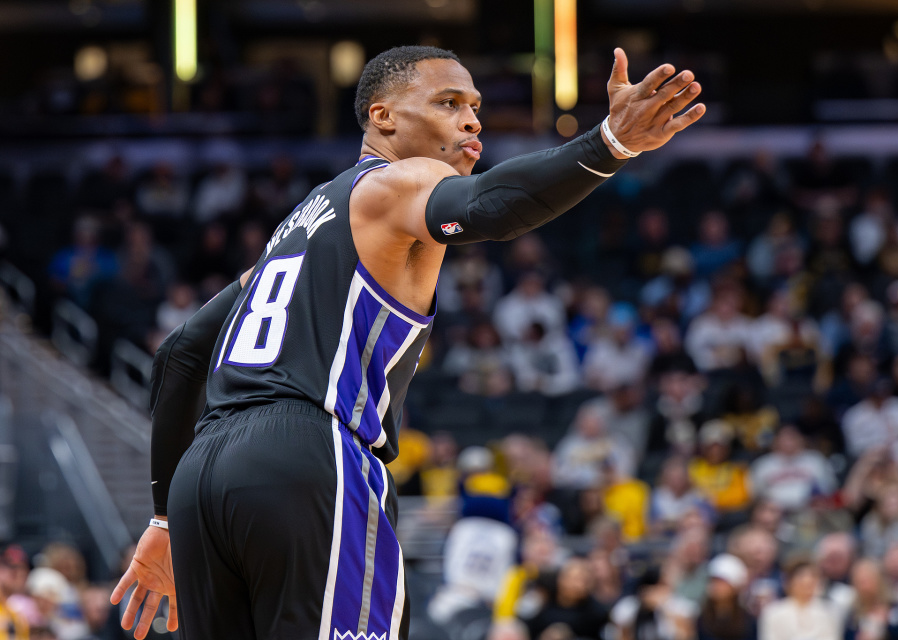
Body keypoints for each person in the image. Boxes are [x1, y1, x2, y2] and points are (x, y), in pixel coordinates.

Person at [110, 45, 706, 640]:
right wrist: (610, 143)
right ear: (384, 117)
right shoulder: (399, 181)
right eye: (449, 103)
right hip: (310, 449)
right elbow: (489, 206)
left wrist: (163, 517)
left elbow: (181, 350)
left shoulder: (296, 228)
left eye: (475, 108)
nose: (471, 122)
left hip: (201, 476)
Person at [758, 557, 841, 640]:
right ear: (789, 581)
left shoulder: (829, 610)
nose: (807, 581)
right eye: (801, 577)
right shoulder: (773, 613)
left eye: (813, 576)